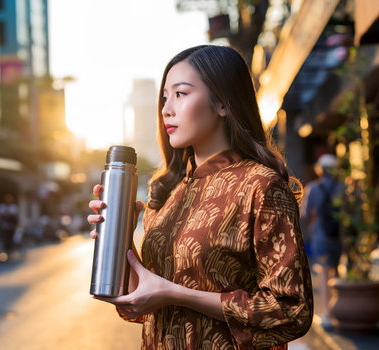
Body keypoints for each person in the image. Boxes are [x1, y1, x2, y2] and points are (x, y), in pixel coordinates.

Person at [88, 45, 313, 349]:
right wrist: (121, 237)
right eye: (164, 97)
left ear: (222, 102)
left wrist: (176, 294)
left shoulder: (260, 185)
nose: (167, 108)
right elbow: (140, 305)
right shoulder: (168, 193)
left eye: (180, 94)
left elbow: (292, 311)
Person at [305, 154, 341, 328]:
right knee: (338, 270)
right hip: (339, 236)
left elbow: (305, 212)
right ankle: (338, 309)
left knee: (324, 272)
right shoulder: (342, 187)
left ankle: (327, 313)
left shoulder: (313, 188)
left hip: (321, 235)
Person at [0, 193, 19, 261]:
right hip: (3, 227)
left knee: (11, 240)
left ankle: (10, 252)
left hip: (12, 228)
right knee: (3, 240)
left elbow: (16, 218)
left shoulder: (14, 207)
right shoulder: (1, 207)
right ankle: (2, 253)